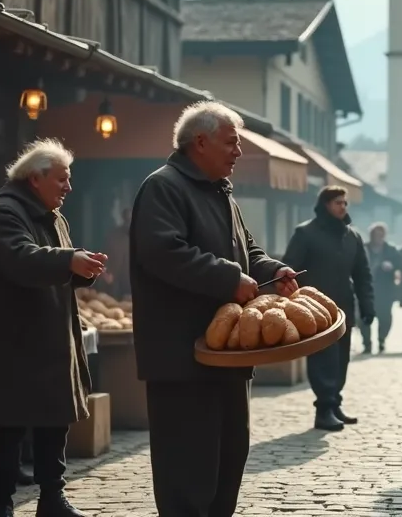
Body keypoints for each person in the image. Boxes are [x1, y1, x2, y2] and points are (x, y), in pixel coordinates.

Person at [129, 101, 299, 517]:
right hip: (181, 355)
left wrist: (272, 270)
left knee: (227, 456)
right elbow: (162, 251)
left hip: (228, 354)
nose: (238, 152)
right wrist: (227, 278)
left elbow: (247, 253)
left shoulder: (221, 192)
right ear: (200, 142)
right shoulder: (163, 186)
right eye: (232, 143)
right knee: (188, 465)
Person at [0, 139, 106, 517]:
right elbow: (20, 258)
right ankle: (1, 504)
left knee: (55, 422)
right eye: (62, 179)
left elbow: (55, 271)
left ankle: (52, 499)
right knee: (9, 425)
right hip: (14, 340)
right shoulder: (3, 213)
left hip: (51, 339)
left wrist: (82, 270)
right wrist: (70, 260)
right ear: (36, 178)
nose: (69, 187)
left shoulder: (54, 216)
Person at [283, 185, 375, 431]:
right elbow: (290, 268)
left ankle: (334, 403)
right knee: (323, 359)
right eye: (337, 202)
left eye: (345, 203)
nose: (343, 207)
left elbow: (362, 274)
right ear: (325, 204)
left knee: (341, 358)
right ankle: (323, 409)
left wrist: (368, 305)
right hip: (314, 309)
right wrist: (294, 304)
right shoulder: (305, 233)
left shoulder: (352, 236)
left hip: (344, 306)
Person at [361, 222, 399, 354]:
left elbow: (399, 265)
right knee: (364, 317)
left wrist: (392, 266)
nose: (378, 236)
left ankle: (381, 339)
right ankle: (367, 344)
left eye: (381, 234)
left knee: (385, 318)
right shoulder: (363, 248)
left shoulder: (391, 250)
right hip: (366, 289)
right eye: (376, 234)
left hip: (385, 290)